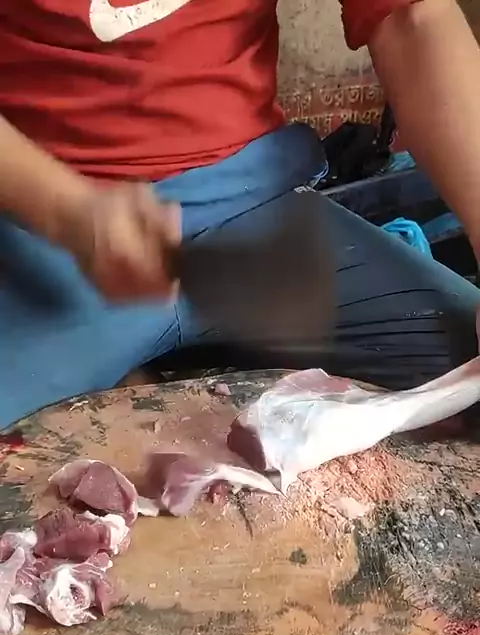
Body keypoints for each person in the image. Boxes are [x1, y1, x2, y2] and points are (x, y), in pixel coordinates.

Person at [1, 0, 480, 429]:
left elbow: (412, 18)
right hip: (46, 218)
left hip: (257, 209)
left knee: (469, 382)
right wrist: (66, 210)